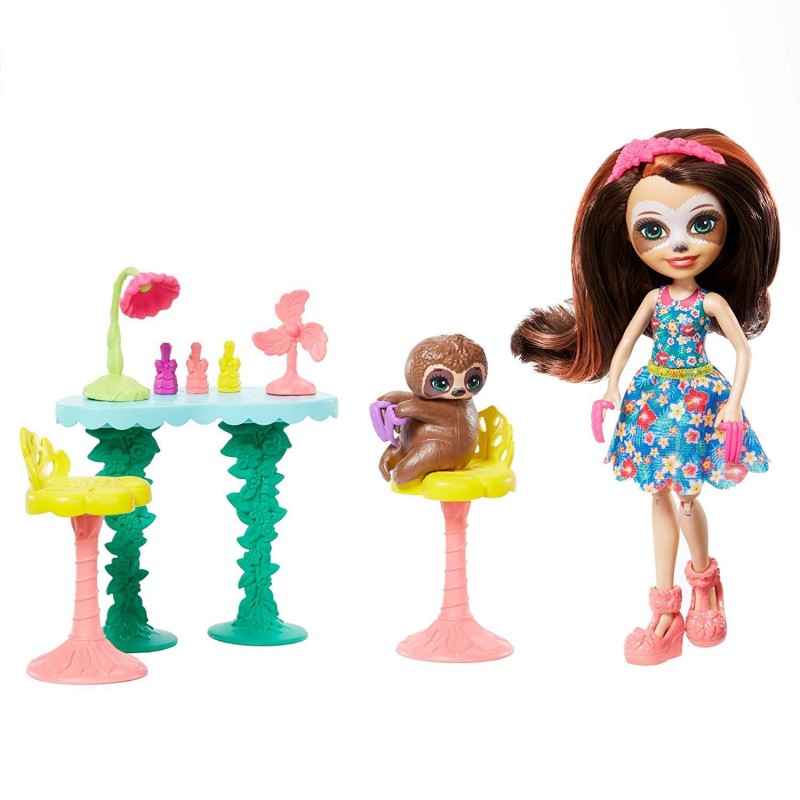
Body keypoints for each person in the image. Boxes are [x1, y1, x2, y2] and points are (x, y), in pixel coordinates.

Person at [511, 129, 780, 665]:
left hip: (698, 400)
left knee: (687, 496)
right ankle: (665, 609)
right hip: (653, 398)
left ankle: (704, 583)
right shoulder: (654, 299)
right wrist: (612, 385)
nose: (679, 246)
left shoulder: (710, 303)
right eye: (654, 231)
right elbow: (627, 343)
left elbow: (742, 351)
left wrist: (732, 403)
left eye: (701, 224)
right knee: (657, 494)